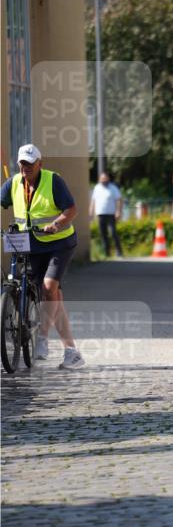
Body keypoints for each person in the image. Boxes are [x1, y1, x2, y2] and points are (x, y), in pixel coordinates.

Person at [0, 144, 84, 368]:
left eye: (30, 163)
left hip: (59, 243)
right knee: (52, 297)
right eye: (22, 163)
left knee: (48, 287)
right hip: (33, 246)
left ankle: (43, 339)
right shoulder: (13, 183)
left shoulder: (53, 181)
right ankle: (72, 352)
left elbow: (72, 210)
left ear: (40, 164)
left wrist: (56, 224)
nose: (25, 167)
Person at [89, 171, 123, 258]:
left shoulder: (113, 188)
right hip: (100, 214)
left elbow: (119, 200)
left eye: (105, 178)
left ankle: (119, 252)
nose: (104, 180)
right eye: (102, 178)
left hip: (111, 214)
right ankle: (107, 253)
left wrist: (118, 211)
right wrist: (91, 212)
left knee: (113, 233)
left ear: (108, 179)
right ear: (100, 179)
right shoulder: (97, 188)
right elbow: (93, 201)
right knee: (103, 234)